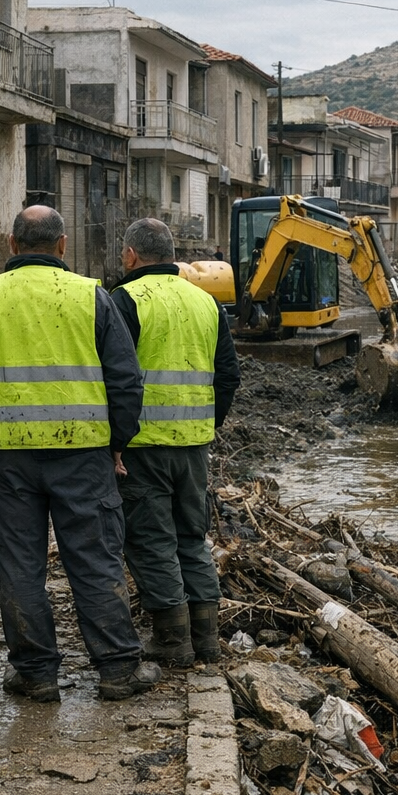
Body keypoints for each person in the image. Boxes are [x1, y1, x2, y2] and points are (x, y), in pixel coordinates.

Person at [0, 205, 159, 703]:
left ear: (12, 246)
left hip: (10, 460)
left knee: (19, 565)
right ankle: (118, 671)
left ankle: (37, 675)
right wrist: (115, 444)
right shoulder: (92, 297)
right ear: (62, 246)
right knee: (95, 559)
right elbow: (126, 382)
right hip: (84, 457)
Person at [111, 219, 240, 665]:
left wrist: (115, 441)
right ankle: (205, 640)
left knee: (151, 541)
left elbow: (118, 378)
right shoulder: (207, 303)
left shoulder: (123, 301)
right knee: (191, 537)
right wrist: (208, 424)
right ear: (173, 255)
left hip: (143, 446)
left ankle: (171, 640)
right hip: (194, 445)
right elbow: (228, 376)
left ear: (130, 255)